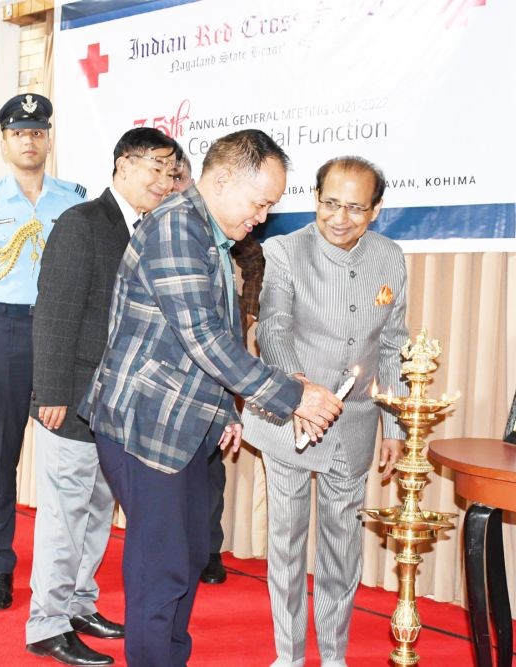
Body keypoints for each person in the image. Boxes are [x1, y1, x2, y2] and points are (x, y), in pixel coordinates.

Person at [79, 129, 342, 666]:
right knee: (162, 565)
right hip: (145, 423)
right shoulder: (178, 227)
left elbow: (202, 338)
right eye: (259, 202)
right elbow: (203, 337)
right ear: (221, 180)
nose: (262, 217)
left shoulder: (208, 233)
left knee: (191, 552)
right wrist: (294, 397)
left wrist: (225, 410)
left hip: (186, 422)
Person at [241, 156, 408, 667]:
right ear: (315, 199)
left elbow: (394, 343)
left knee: (342, 545)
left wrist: (395, 424)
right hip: (289, 420)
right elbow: (272, 329)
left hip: (354, 425)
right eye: (331, 204)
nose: (340, 217)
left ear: (375, 210)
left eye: (355, 208)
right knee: (287, 541)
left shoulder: (391, 258)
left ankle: (333, 656)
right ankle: (288, 656)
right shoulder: (284, 251)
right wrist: (300, 394)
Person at [28, 127, 178, 665]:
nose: (163, 181)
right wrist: (51, 389)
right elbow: (54, 311)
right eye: (153, 168)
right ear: (121, 165)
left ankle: (78, 604)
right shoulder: (83, 223)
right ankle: (46, 622)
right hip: (70, 398)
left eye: (170, 172)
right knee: (65, 514)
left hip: (118, 404)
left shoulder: (151, 230)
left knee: (95, 511)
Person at [0, 93, 85, 612]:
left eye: (37, 131)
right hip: (3, 332)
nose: (29, 140)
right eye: (18, 132)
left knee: (67, 457)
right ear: (3, 142)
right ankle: (0, 568)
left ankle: (61, 569)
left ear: (48, 139)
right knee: (1, 458)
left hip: (62, 336)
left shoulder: (74, 200)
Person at [173, 152, 266, 586]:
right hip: (171, 381)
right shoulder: (168, 226)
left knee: (211, 465)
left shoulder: (228, 228)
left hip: (216, 368)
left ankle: (209, 549)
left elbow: (255, 262)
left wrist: (244, 316)